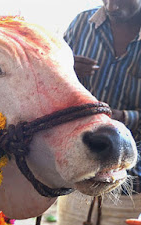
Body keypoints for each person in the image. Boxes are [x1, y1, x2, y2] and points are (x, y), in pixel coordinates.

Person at [58, 0, 141, 224]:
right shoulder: (81, 24)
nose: (112, 7)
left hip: (130, 190)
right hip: (77, 178)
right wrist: (66, 68)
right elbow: (51, 84)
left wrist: (123, 117)